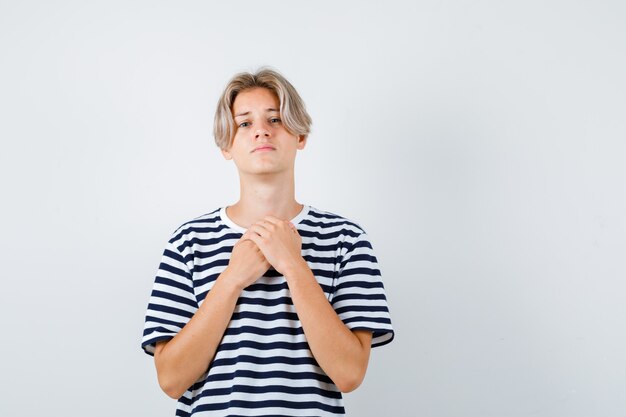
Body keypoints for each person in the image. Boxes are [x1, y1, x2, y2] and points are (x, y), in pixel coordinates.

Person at [141, 68, 394, 416]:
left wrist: (293, 264)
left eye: (275, 118)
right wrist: (232, 279)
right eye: (244, 123)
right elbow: (171, 380)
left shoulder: (346, 240)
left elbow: (349, 374)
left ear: (300, 136)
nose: (261, 129)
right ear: (226, 145)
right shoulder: (188, 242)